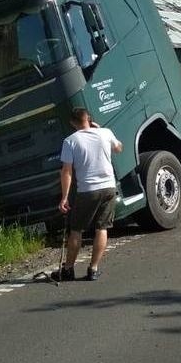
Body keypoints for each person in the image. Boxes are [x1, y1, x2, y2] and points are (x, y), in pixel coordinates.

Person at [52, 108, 123, 281]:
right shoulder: (104, 132)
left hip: (88, 190)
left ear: (73, 123)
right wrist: (99, 129)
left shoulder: (70, 141)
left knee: (76, 230)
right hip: (108, 187)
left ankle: (68, 269)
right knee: (102, 228)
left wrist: (64, 197)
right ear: (89, 119)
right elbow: (119, 148)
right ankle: (93, 269)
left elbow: (67, 171)